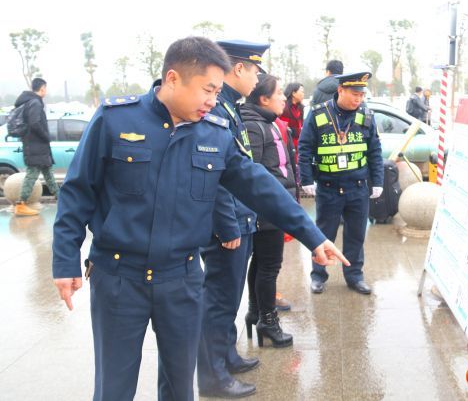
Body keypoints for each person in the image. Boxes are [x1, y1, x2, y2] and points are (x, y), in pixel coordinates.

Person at [51, 36, 348, 401]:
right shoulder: (115, 120)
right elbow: (77, 191)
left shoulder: (214, 133)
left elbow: (259, 186)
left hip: (182, 280)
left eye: (218, 90)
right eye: (208, 89)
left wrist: (313, 235)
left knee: (179, 386)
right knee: (114, 387)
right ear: (173, 79)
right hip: (118, 279)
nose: (213, 100)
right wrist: (65, 260)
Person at [195, 39, 266, 399]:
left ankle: (226, 355)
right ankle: (212, 377)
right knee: (218, 300)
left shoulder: (231, 107)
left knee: (230, 296)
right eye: (254, 70)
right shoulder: (216, 109)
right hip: (229, 224)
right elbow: (216, 177)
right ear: (238, 69)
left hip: (242, 218)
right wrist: (227, 225)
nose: (257, 79)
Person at [298, 72, 384, 295]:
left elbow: (374, 150)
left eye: (362, 95)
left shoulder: (365, 115)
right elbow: (305, 148)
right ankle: (318, 275)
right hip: (329, 188)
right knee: (323, 234)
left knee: (356, 234)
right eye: (354, 94)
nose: (359, 99)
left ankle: (355, 276)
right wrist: (306, 179)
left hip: (358, 187)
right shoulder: (318, 114)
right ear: (340, 91)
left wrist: (378, 181)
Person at [240, 73, 297, 349]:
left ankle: (256, 311)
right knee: (269, 266)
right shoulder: (254, 126)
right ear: (263, 98)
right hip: (266, 209)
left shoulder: (268, 122)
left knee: (262, 263)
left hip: (276, 205)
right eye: (279, 94)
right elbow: (254, 175)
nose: (284, 98)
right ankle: (268, 320)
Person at [13, 78, 59, 216]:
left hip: (37, 146)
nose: (46, 90)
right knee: (32, 175)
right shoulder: (35, 103)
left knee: (49, 174)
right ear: (42, 88)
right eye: (46, 88)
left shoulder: (31, 102)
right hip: (36, 147)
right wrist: (46, 136)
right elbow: (34, 123)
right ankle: (21, 204)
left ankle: (61, 198)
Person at [279, 82, 305, 152]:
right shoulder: (284, 108)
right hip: (287, 145)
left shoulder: (300, 108)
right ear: (293, 93)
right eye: (302, 92)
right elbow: (283, 128)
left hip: (299, 145)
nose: (303, 94)